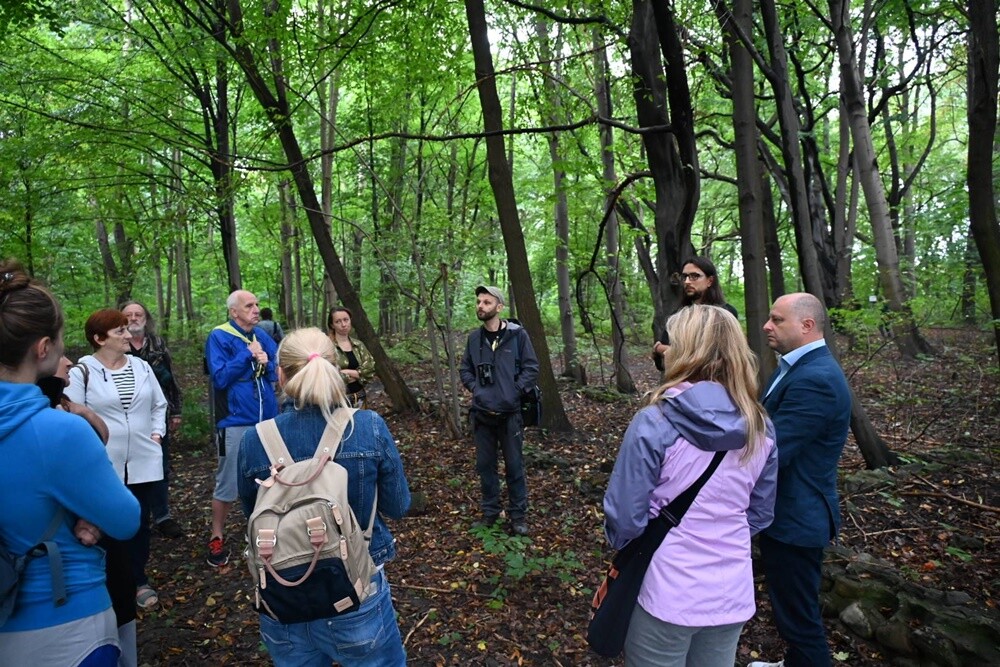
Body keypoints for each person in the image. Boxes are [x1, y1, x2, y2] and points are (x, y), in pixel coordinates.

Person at [604, 305, 778, 667]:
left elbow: (625, 518)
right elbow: (760, 513)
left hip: (666, 589)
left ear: (683, 349)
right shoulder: (761, 426)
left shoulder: (656, 421)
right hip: (731, 591)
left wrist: (630, 549)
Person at [237, 327, 411, 666]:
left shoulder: (253, 440)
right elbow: (398, 505)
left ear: (280, 374)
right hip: (356, 590)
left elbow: (252, 516)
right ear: (335, 369)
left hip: (282, 595)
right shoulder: (368, 427)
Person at [0, 260, 140, 666]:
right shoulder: (60, 432)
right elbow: (125, 518)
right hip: (64, 620)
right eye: (60, 339)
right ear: (43, 348)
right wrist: (88, 511)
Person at [749, 293, 851, 667]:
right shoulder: (794, 366)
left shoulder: (816, 379)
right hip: (787, 512)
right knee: (791, 608)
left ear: (807, 326)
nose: (766, 325)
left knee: (800, 619)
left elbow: (772, 450)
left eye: (776, 320)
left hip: (797, 517)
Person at [40, 356, 139, 667]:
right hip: (69, 594)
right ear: (38, 351)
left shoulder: (64, 408)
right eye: (59, 354)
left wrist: (78, 410)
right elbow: (124, 517)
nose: (68, 362)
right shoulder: (56, 425)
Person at [67, 309, 168, 612]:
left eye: (127, 330)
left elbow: (159, 404)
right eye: (119, 332)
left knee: (139, 522)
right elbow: (72, 414)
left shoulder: (141, 366)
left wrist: (157, 433)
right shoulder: (81, 372)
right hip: (103, 464)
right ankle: (109, 580)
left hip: (144, 459)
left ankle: (138, 579)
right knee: (106, 521)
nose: (128, 336)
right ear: (99, 339)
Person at [204, 289, 278, 567]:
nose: (256, 309)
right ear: (234, 312)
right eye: (249, 306)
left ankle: (266, 532)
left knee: (271, 476)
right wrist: (246, 356)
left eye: (257, 304)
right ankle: (217, 535)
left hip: (268, 420)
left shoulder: (264, 337)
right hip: (234, 421)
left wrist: (267, 363)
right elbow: (220, 378)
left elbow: (274, 375)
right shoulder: (219, 336)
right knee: (228, 480)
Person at [459, 285, 538, 536]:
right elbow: (465, 369)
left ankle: (518, 517)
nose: (480, 306)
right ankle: (490, 514)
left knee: (514, 466)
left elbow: (531, 368)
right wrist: (477, 389)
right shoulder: (474, 339)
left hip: (510, 415)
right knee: (485, 467)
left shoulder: (517, 336)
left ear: (499, 307)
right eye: (479, 302)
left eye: (487, 302)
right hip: (482, 414)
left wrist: (514, 391)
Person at [121, 300, 184, 539]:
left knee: (159, 465)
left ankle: (162, 515)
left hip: (157, 417)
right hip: (126, 420)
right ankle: (135, 514)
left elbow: (172, 378)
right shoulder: (118, 345)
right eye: (129, 315)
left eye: (138, 314)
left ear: (146, 318)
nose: (134, 318)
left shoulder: (157, 343)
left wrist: (176, 411)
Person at [652, 256, 738, 372]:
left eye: (694, 276)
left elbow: (720, 358)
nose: (687, 281)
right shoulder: (677, 316)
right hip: (681, 383)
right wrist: (661, 350)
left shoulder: (725, 314)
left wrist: (660, 349)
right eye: (685, 277)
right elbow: (662, 363)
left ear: (710, 281)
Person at [326, 306, 374, 408]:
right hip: (337, 401)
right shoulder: (326, 347)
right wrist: (358, 375)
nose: (343, 324)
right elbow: (327, 374)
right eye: (338, 321)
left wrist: (347, 372)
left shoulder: (358, 344)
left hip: (360, 398)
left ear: (350, 321)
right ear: (332, 325)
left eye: (346, 320)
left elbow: (370, 370)